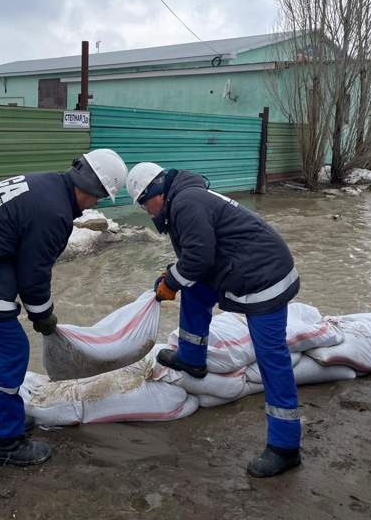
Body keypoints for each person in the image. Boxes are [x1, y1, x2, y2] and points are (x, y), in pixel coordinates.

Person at [0, 149, 128, 467]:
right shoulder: (54, 212)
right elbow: (34, 274)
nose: (96, 204)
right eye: (100, 197)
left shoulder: (47, 185)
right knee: (12, 350)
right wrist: (43, 315)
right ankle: (5, 442)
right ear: (93, 188)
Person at [126, 163, 301, 478]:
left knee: (271, 358)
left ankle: (285, 447)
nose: (147, 213)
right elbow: (199, 253)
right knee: (194, 291)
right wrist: (174, 275)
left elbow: (198, 259)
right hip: (243, 267)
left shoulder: (186, 203)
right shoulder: (185, 198)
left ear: (156, 193)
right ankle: (192, 358)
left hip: (265, 278)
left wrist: (171, 282)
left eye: (144, 204)